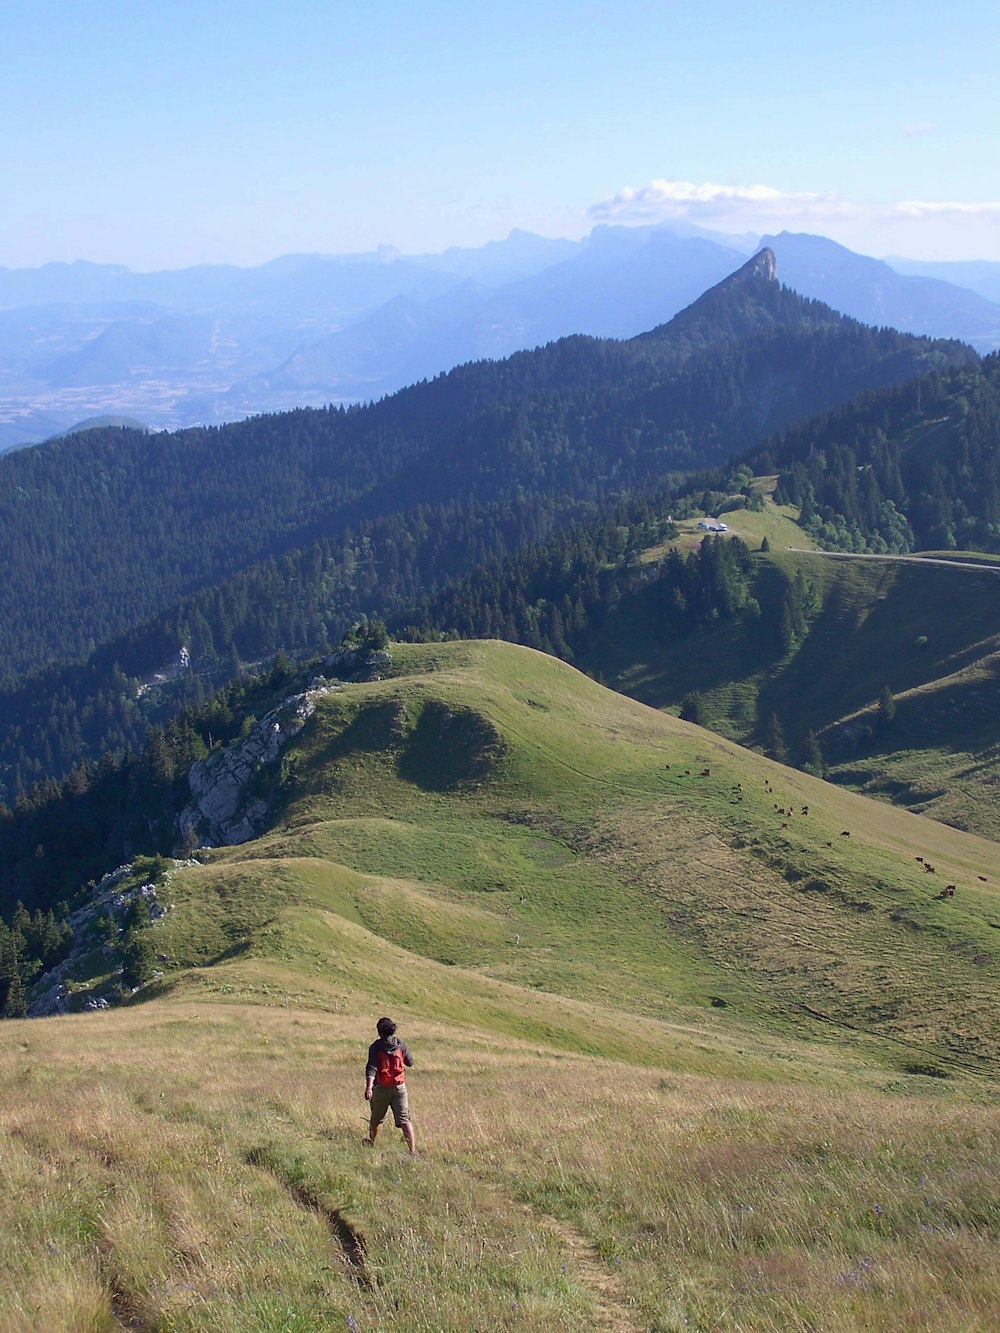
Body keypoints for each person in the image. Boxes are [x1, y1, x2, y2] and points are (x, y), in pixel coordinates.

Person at [364, 1016, 416, 1154]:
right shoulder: (400, 1044)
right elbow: (410, 1062)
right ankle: (412, 1150)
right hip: (399, 1087)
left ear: (379, 1031)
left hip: (381, 1088)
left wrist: (369, 1087)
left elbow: (372, 1067)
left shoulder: (376, 1047)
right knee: (405, 1120)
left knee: (376, 1120)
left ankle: (372, 1143)